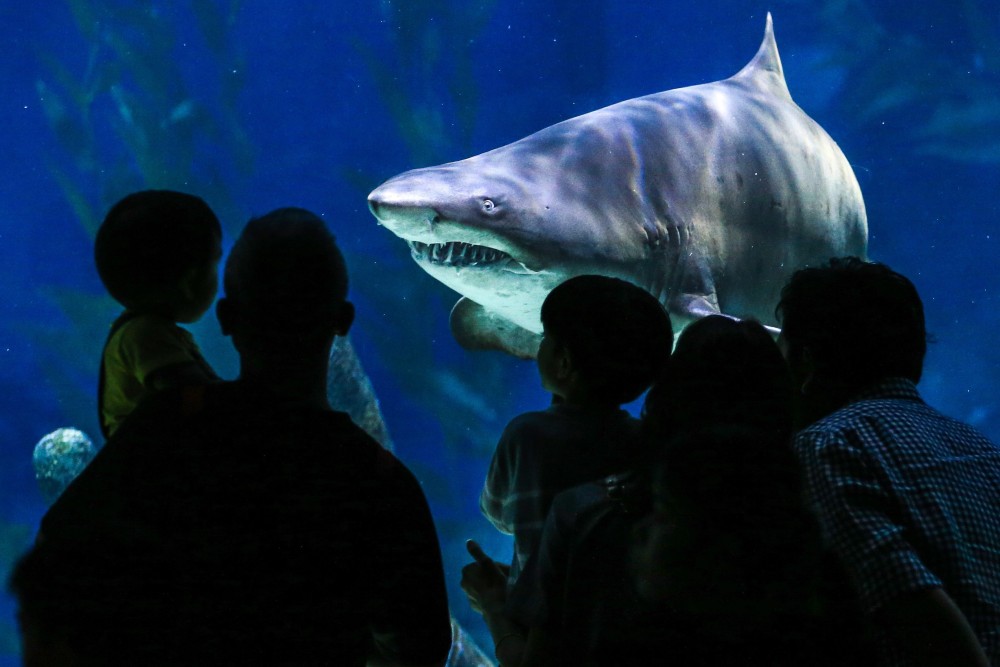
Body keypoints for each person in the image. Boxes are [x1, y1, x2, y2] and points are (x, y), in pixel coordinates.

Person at [11, 208, 453, 666]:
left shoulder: (166, 430)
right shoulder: (382, 482)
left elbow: (55, 553)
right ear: (342, 321)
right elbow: (421, 647)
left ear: (225, 317)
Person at [777, 256, 1000, 667]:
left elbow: (910, 601)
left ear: (804, 361)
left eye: (783, 350)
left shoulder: (826, 448)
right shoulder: (982, 449)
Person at [467, 274, 672, 663]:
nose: (538, 344)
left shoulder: (526, 434)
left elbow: (497, 516)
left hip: (536, 624)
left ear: (563, 362)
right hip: (612, 624)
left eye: (546, 337)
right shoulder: (645, 441)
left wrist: (497, 603)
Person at [94, 190, 223, 439]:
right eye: (215, 263)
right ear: (189, 281)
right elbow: (195, 395)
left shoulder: (145, 331)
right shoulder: (145, 335)